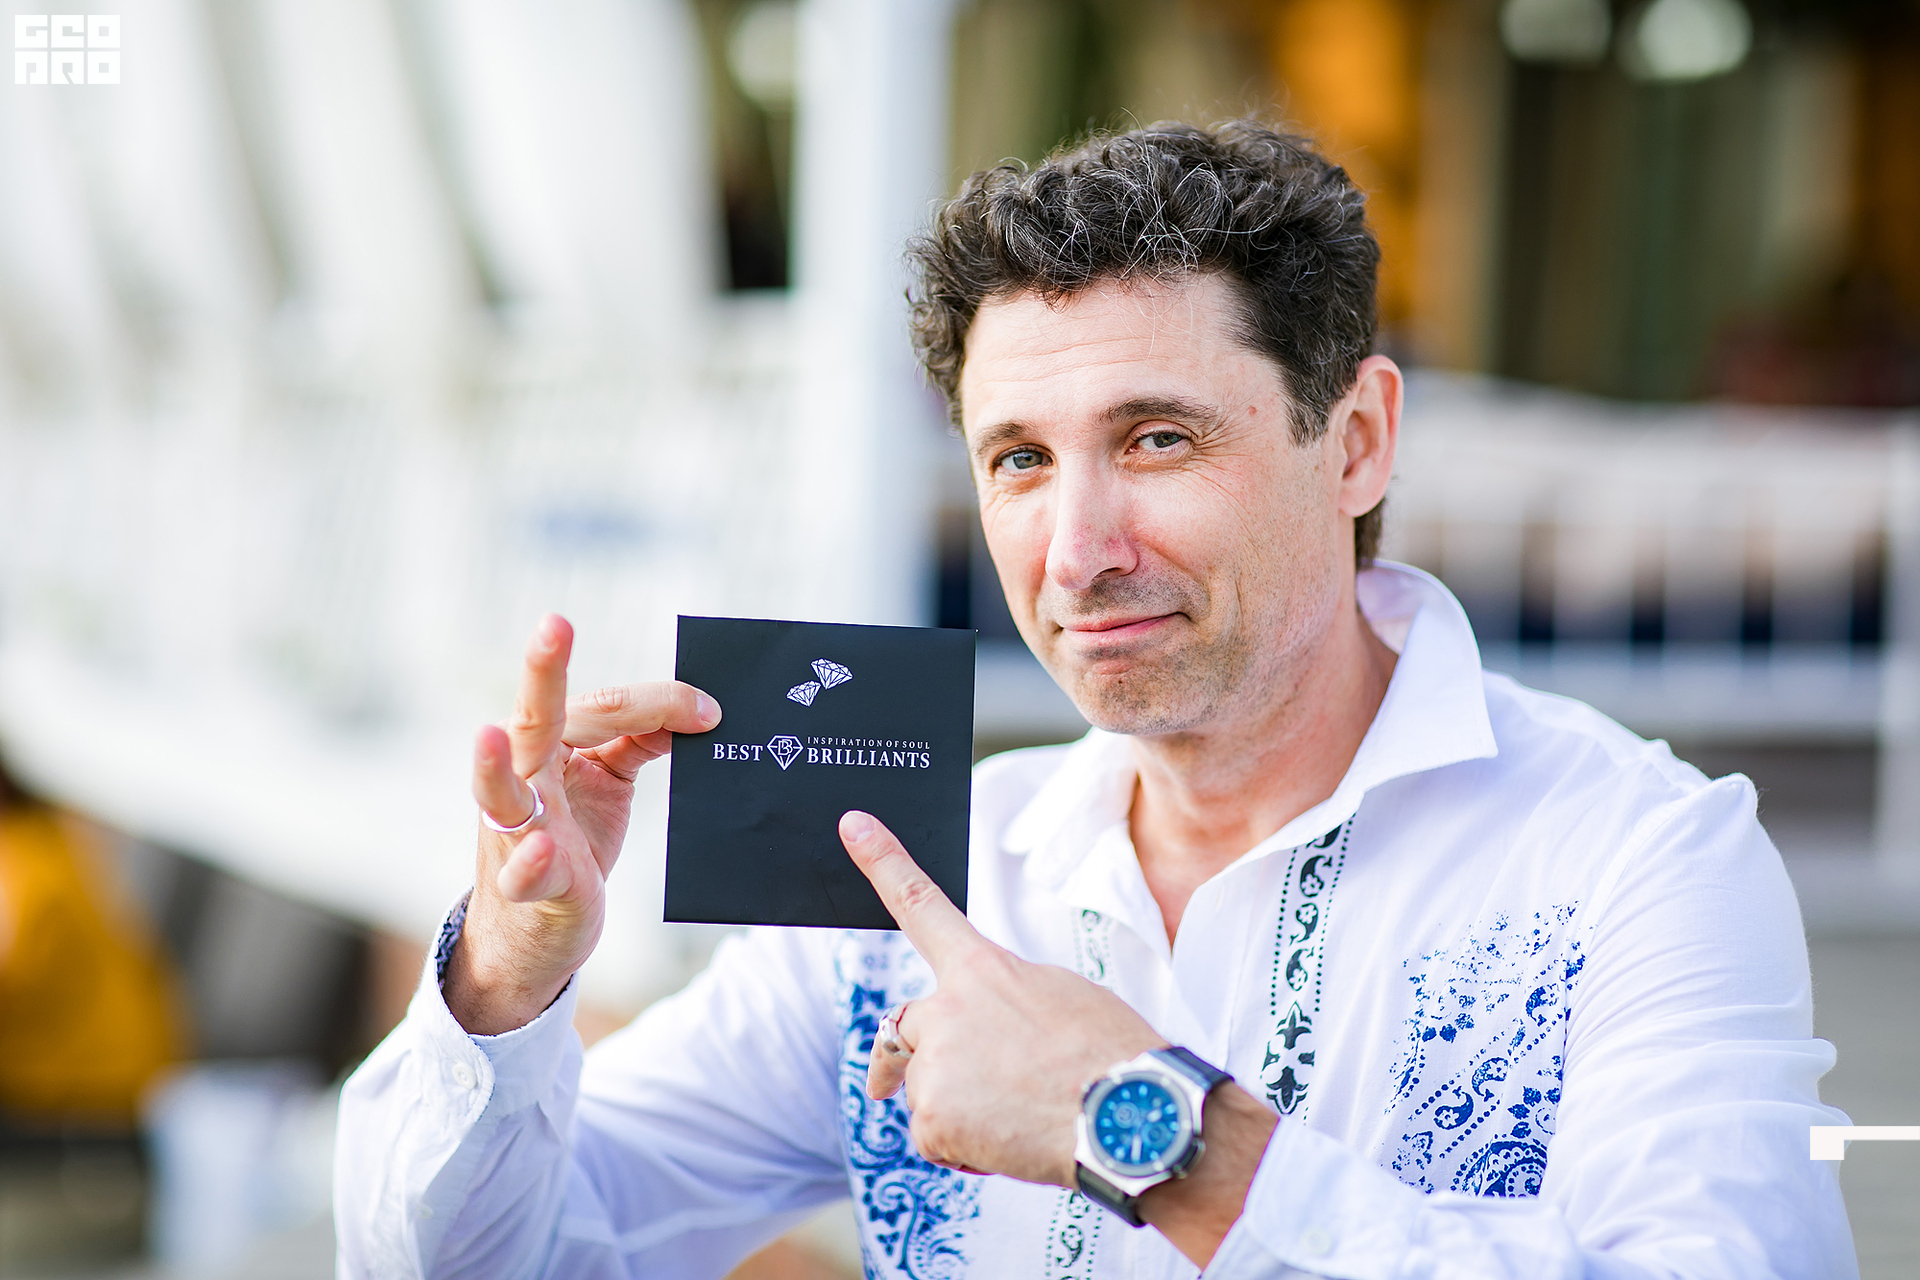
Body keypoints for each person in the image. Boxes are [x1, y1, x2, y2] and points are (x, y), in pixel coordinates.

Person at [334, 121, 1854, 1278]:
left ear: (1358, 442)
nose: (1077, 551)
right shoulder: (914, 881)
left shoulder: (1636, 858)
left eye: (1158, 440)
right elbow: (482, 1260)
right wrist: (508, 985)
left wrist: (1148, 1129)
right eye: (1019, 460)